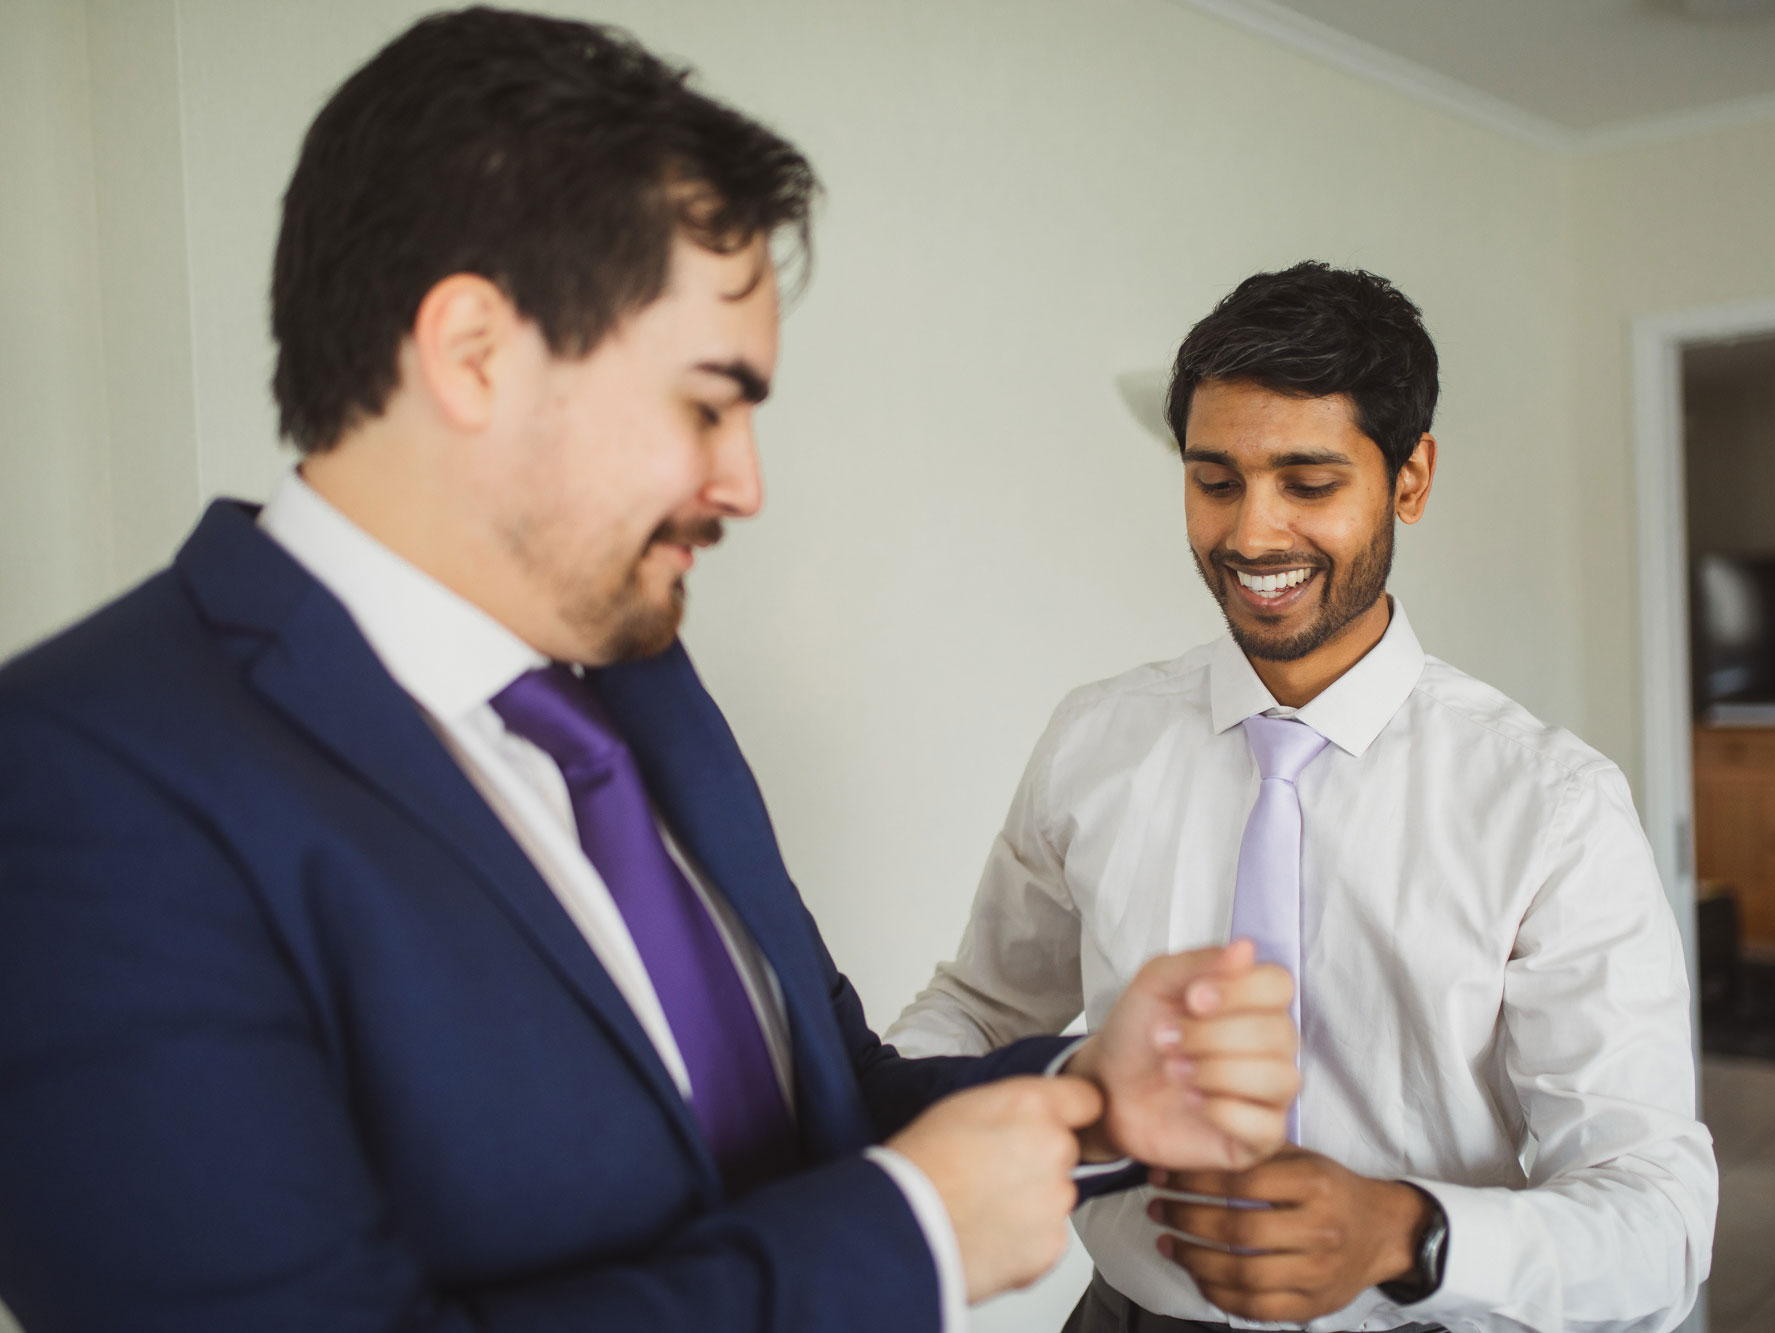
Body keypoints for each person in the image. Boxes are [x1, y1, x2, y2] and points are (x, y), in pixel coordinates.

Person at [0, 11, 1304, 1332]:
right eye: (706, 402)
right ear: (473, 355)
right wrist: (904, 1236)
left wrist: (1093, 1091)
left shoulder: (644, 692)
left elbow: (822, 1093)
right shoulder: (74, 782)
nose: (744, 482)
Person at [887, 264, 1720, 1333]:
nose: (1251, 535)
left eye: (1307, 482)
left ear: (1408, 478)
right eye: (1214, 479)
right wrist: (864, 1144)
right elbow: (987, 1007)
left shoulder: (1550, 806)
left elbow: (1654, 1212)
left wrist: (1401, 1235)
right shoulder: (1094, 739)